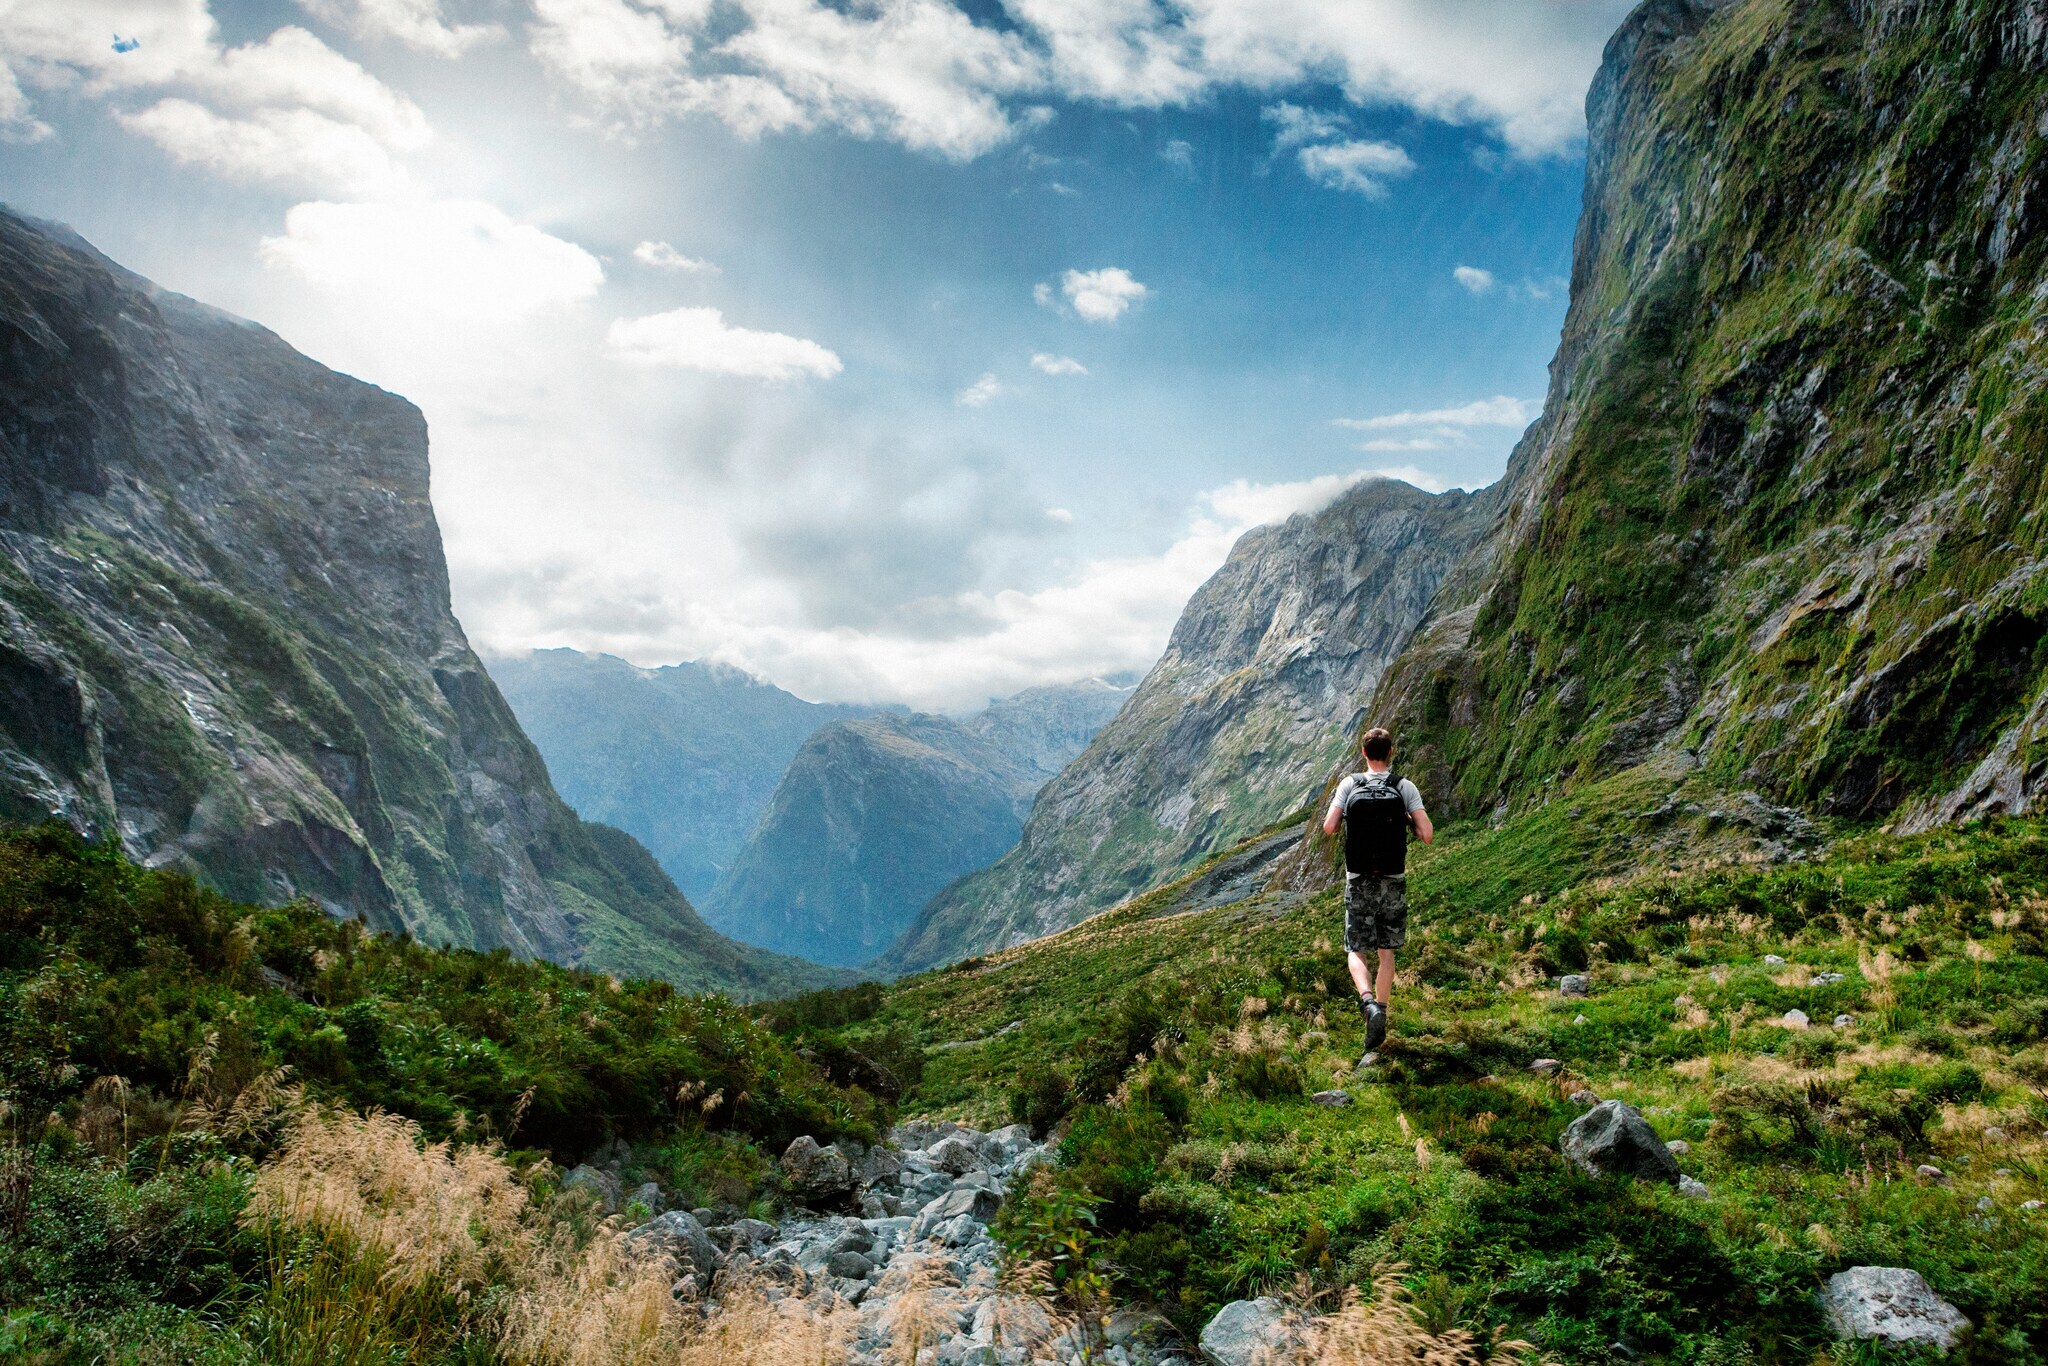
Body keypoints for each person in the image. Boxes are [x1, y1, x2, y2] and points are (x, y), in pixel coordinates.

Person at [1322, 726, 1432, 1055]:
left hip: (1357, 879)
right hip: (1393, 879)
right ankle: (1381, 1012)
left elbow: (1329, 828)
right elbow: (1427, 835)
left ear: (1364, 753)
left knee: (1356, 950)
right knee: (1387, 954)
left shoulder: (1349, 784)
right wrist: (1407, 821)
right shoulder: (1405, 786)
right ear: (1391, 752)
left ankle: (1367, 1004)